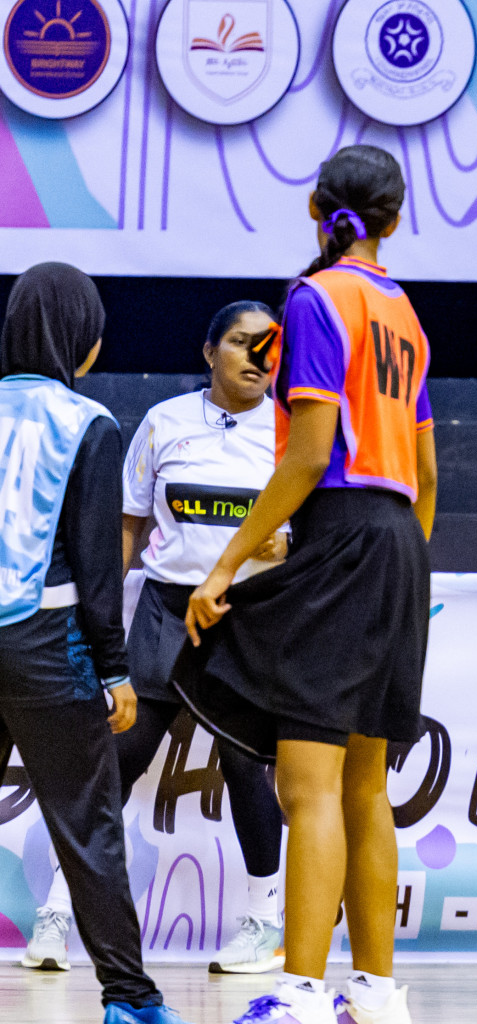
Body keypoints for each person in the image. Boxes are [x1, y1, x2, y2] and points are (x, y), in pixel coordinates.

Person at [183, 144, 436, 1024]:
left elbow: (309, 452)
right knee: (366, 785)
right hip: (402, 542)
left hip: (345, 536)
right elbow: (430, 474)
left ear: (315, 209)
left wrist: (225, 561)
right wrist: (396, 565)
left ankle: (297, 991)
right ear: (396, 220)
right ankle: (375, 992)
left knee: (309, 786)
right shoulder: (406, 313)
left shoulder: (314, 298)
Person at [28, 302, 291, 978]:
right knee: (116, 760)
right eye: (240, 342)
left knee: (244, 766)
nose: (256, 357)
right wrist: (97, 622)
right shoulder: (163, 423)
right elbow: (125, 528)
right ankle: (61, 910)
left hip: (251, 618)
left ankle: (263, 920)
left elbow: (315, 533)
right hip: (165, 614)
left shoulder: (295, 431)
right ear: (209, 352)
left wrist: (286, 545)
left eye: (269, 345)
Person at [0, 262, 192, 1023]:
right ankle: (129, 998)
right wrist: (114, 670)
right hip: (45, 642)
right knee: (87, 823)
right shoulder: (89, 424)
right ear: (82, 337)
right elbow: (96, 563)